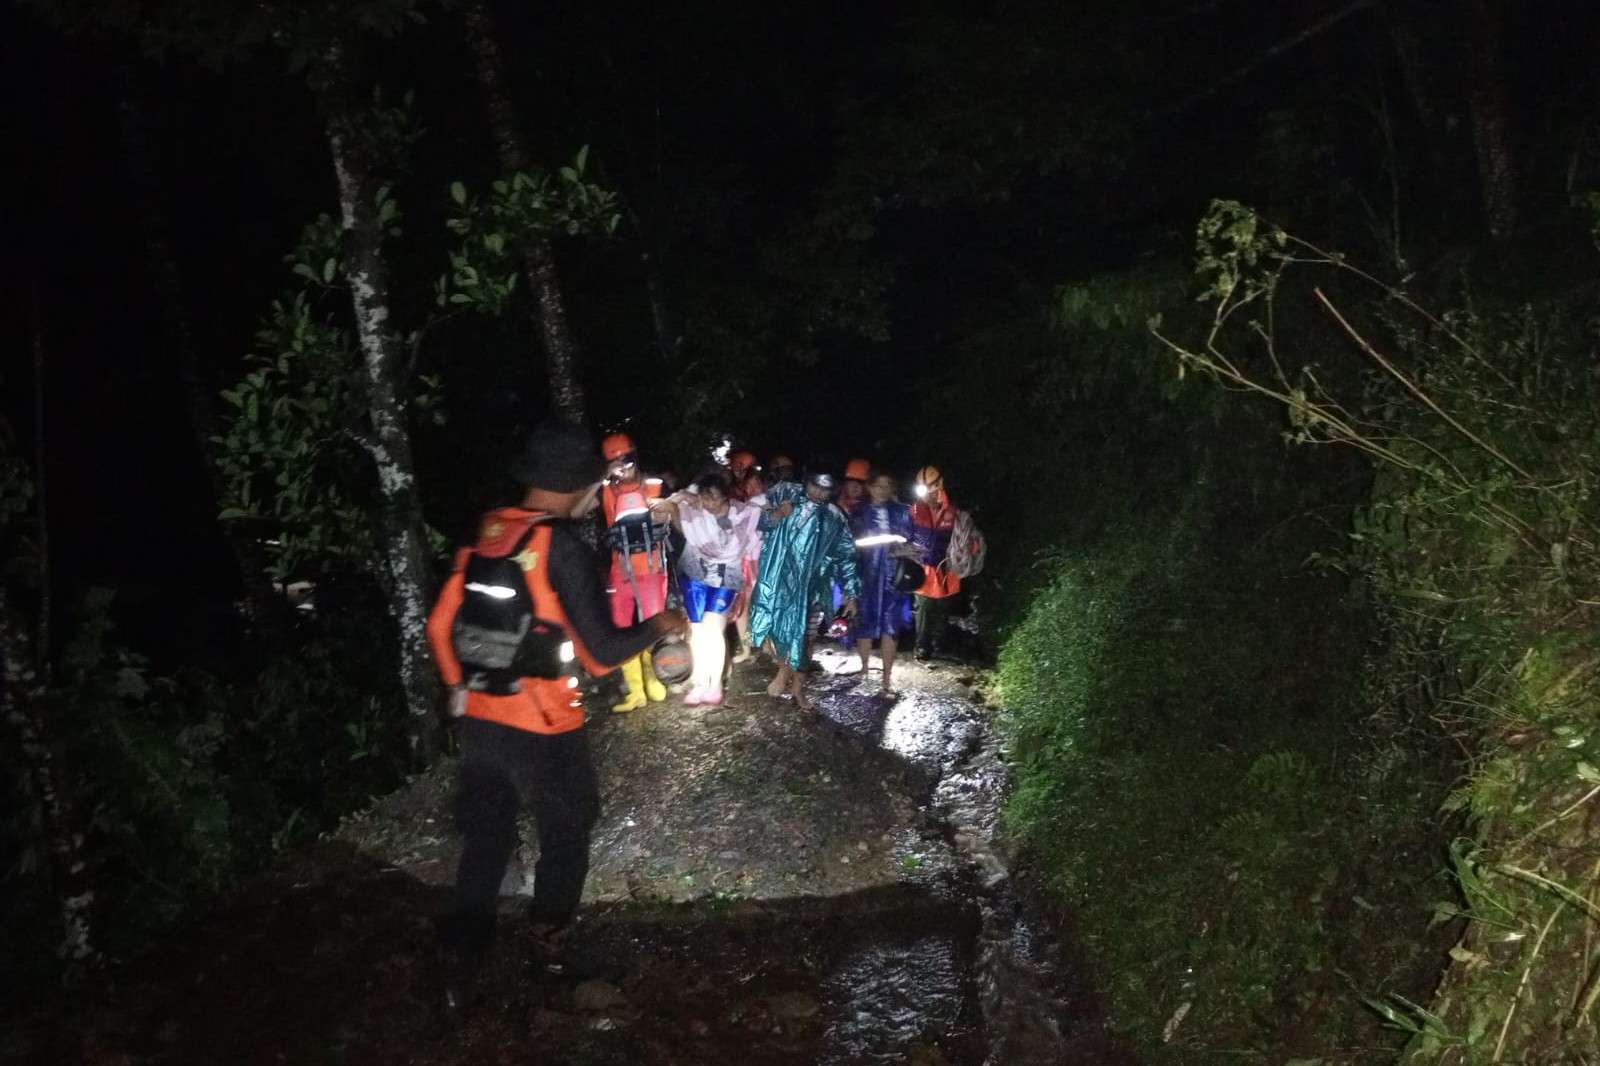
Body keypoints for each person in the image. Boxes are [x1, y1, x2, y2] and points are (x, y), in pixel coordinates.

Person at [426, 423, 688, 1011]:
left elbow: (438, 626)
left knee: (487, 838)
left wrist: (455, 689)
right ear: (579, 486)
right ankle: (549, 941)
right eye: (597, 486)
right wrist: (659, 626)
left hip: (481, 723)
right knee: (567, 831)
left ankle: (462, 956)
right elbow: (598, 657)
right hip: (544, 726)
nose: (599, 497)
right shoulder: (560, 547)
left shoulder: (487, 534)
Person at [748, 469, 861, 709]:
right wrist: (777, 514)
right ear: (806, 483)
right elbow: (757, 520)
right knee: (779, 633)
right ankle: (783, 672)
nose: (819, 492)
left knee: (806, 638)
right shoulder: (786, 498)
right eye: (815, 486)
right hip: (779, 583)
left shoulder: (835, 518)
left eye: (825, 488)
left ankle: (797, 687)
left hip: (813, 589)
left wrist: (851, 594)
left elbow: (847, 556)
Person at [656, 474, 764, 705]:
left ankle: (715, 684)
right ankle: (700, 681)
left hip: (726, 575)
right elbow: (680, 522)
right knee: (697, 630)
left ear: (726, 495)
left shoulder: (743, 513)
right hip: (695, 572)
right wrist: (676, 504)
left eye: (714, 497)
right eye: (705, 498)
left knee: (713, 628)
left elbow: (763, 509)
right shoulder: (694, 509)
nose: (710, 503)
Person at [600, 432, 673, 712]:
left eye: (626, 459)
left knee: (651, 626)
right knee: (622, 627)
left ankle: (654, 679)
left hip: (652, 569)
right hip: (621, 569)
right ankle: (635, 691)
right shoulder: (606, 490)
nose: (622, 466)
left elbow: (669, 513)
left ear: (635, 456)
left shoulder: (653, 485)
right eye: (615, 462)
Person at [850, 471, 917, 695]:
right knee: (864, 623)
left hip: (893, 577)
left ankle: (887, 676)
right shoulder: (858, 511)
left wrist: (909, 551)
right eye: (878, 485)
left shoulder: (902, 512)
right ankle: (864, 668)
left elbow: (914, 540)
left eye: (888, 485)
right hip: (866, 575)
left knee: (892, 625)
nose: (882, 490)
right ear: (869, 487)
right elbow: (849, 546)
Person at [910, 464, 962, 663]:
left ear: (940, 485)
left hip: (947, 567)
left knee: (943, 605)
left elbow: (965, 539)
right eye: (924, 489)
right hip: (923, 568)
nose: (929, 494)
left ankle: (939, 641)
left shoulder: (954, 511)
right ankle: (922, 645)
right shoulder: (914, 510)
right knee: (923, 607)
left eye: (932, 487)